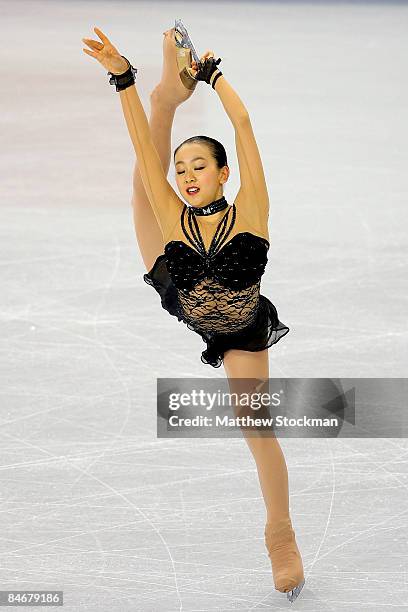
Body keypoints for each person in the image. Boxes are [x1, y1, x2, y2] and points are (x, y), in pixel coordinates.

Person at [81, 25, 305, 602]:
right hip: (173, 275)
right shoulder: (173, 213)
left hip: (241, 331)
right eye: (181, 170)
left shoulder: (251, 207)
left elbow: (245, 127)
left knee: (257, 427)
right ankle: (161, 95)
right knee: (141, 185)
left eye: (198, 167)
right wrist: (121, 78)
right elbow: (144, 157)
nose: (186, 177)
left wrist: (215, 75)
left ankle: (280, 534)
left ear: (224, 173)